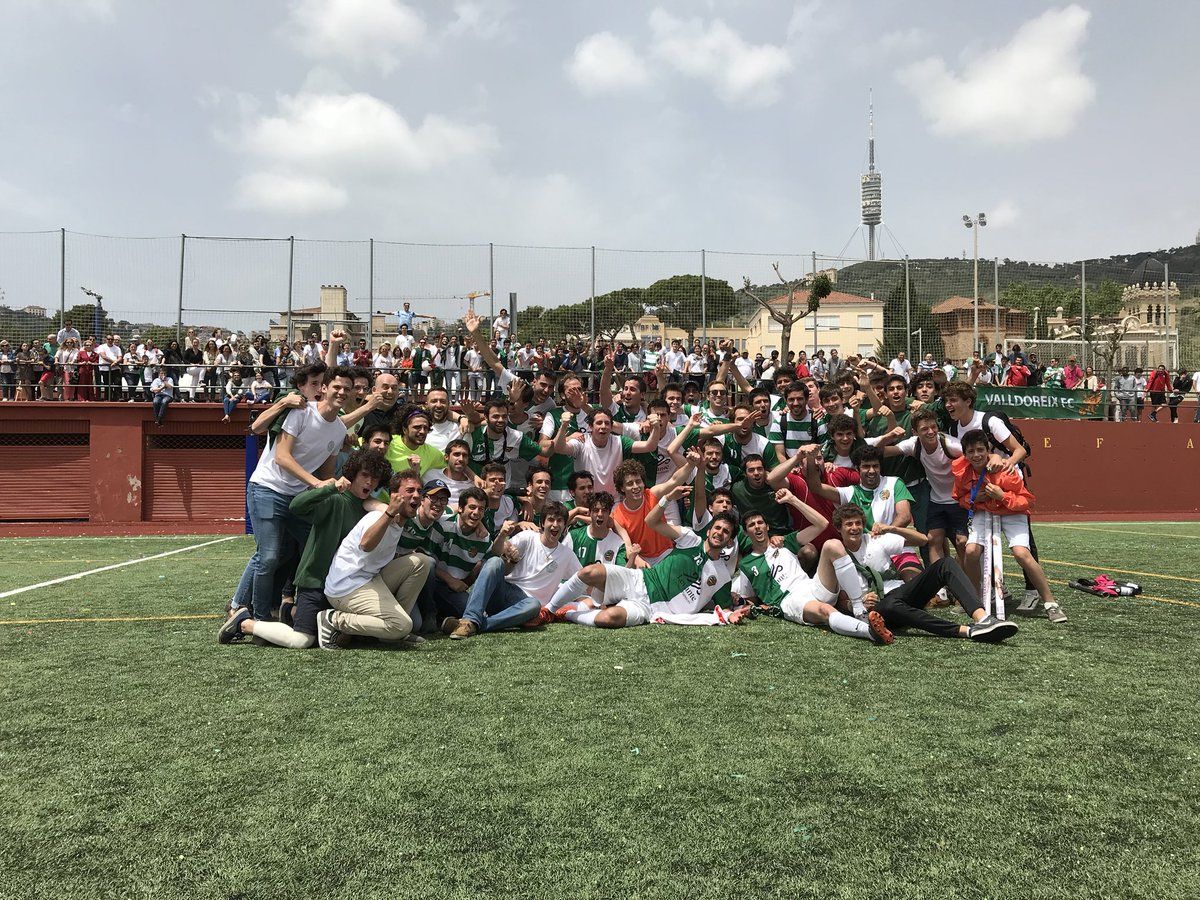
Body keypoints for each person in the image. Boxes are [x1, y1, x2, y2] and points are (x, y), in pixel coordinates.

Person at [219, 448, 393, 648]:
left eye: (375, 478)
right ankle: (244, 623)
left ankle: (289, 612)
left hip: (345, 586)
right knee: (303, 640)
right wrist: (330, 488)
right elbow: (297, 506)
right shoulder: (335, 499)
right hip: (316, 583)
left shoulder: (370, 509)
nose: (370, 482)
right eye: (365, 475)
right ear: (353, 474)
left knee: (356, 634)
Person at [237, 367, 353, 622]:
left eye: (347, 388)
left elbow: (326, 473)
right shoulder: (300, 412)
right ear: (324, 388)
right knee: (268, 556)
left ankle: (306, 609)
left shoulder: (338, 430)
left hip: (298, 499)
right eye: (336, 387)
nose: (342, 392)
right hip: (267, 489)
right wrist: (317, 483)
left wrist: (330, 490)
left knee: (318, 548)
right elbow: (282, 457)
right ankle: (257, 617)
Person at [545, 487, 747, 628]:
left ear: (730, 541)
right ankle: (548, 611)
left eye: (726, 532)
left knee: (610, 618)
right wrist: (667, 498)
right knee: (590, 572)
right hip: (641, 580)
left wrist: (732, 614)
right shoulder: (691, 539)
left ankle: (568, 614)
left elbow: (724, 608)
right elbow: (652, 522)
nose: (719, 533)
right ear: (709, 530)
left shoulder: (723, 576)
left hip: (654, 609)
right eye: (717, 528)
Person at [821, 503, 1017, 642]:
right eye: (849, 524)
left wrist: (892, 528)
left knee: (945, 564)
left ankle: (982, 618)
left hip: (902, 593)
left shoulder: (874, 540)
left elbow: (923, 540)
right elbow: (839, 600)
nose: (854, 528)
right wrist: (857, 603)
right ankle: (966, 631)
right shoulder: (836, 555)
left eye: (857, 523)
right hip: (878, 609)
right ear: (839, 528)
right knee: (890, 605)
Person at [734, 502, 893, 645]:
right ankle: (870, 632)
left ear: (767, 527)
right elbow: (749, 599)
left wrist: (792, 499)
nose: (757, 527)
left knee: (832, 545)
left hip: (810, 585)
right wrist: (745, 605)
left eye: (760, 523)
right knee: (825, 610)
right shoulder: (746, 564)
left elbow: (822, 524)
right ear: (746, 533)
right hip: (789, 600)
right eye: (752, 525)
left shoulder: (784, 542)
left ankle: (859, 610)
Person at [952, 429, 1065, 624]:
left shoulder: (1005, 470)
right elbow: (959, 497)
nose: (976, 455)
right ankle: (974, 600)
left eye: (980, 450)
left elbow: (1027, 501)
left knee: (1022, 553)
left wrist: (1002, 496)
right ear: (965, 454)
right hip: (984, 510)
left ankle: (1050, 602)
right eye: (971, 451)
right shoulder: (962, 471)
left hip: (1012, 512)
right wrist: (972, 499)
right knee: (970, 551)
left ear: (988, 450)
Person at [316, 468, 431, 649]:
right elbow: (366, 545)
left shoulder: (398, 519)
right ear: (394, 496)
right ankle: (333, 619)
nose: (416, 496)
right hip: (346, 586)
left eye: (419, 491)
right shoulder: (379, 516)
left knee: (421, 562)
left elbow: (368, 502)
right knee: (402, 625)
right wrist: (389, 513)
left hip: (370, 578)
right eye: (410, 490)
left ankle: (391, 634)